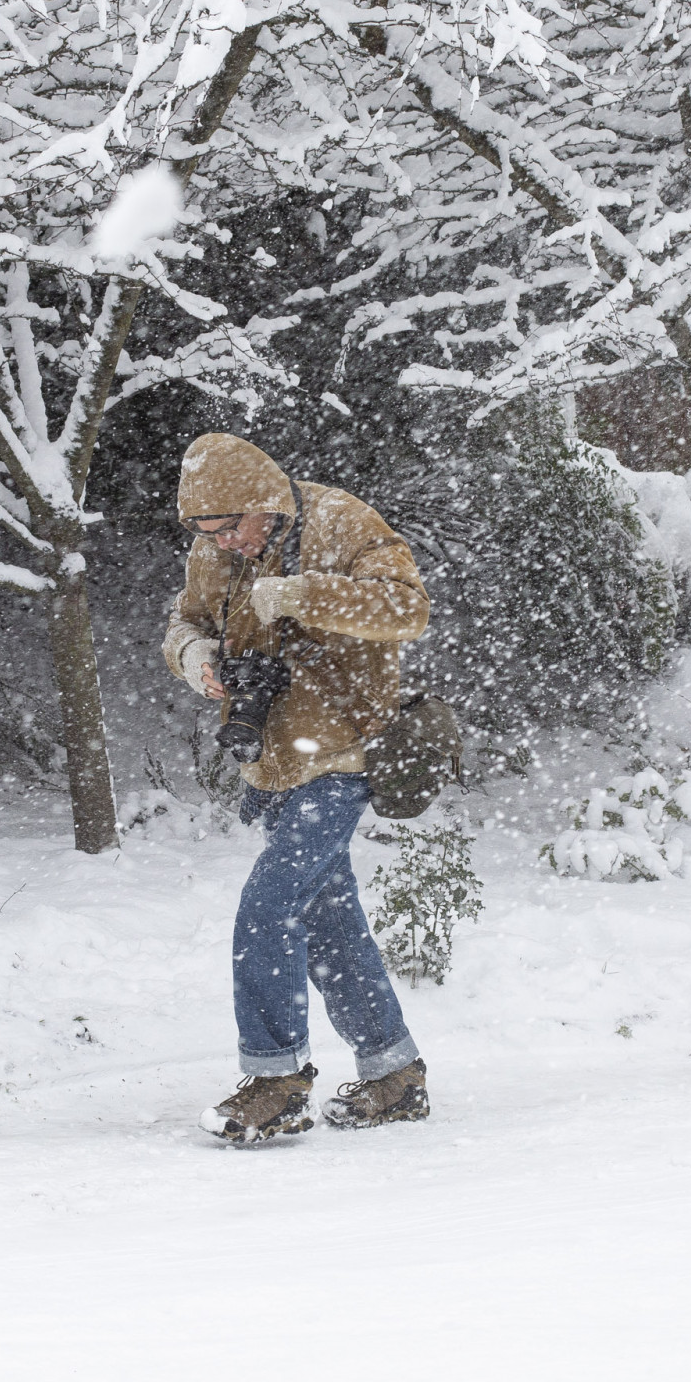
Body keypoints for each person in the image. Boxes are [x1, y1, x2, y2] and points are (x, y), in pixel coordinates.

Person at [163, 432, 434, 1144]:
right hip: (272, 761)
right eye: (205, 532)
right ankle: (394, 1074)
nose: (221, 543)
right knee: (328, 922)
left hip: (345, 752)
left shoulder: (342, 521)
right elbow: (187, 618)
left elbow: (408, 609)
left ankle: (277, 1081)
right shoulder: (216, 549)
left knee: (269, 905)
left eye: (229, 528)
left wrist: (302, 596)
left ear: (264, 506)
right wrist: (196, 657)